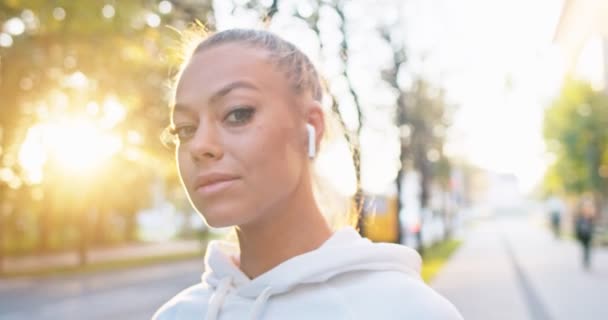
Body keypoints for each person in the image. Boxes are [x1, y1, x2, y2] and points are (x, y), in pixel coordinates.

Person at [153, 28, 462, 320]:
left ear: (310, 126)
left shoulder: (406, 311)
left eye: (238, 113)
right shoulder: (178, 315)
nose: (200, 146)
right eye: (185, 129)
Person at [575, 198, 596, 270]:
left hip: (588, 234)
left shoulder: (591, 215)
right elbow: (578, 226)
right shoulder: (581, 216)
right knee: (585, 247)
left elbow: (592, 225)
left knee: (587, 248)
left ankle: (586, 260)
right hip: (582, 235)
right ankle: (585, 260)